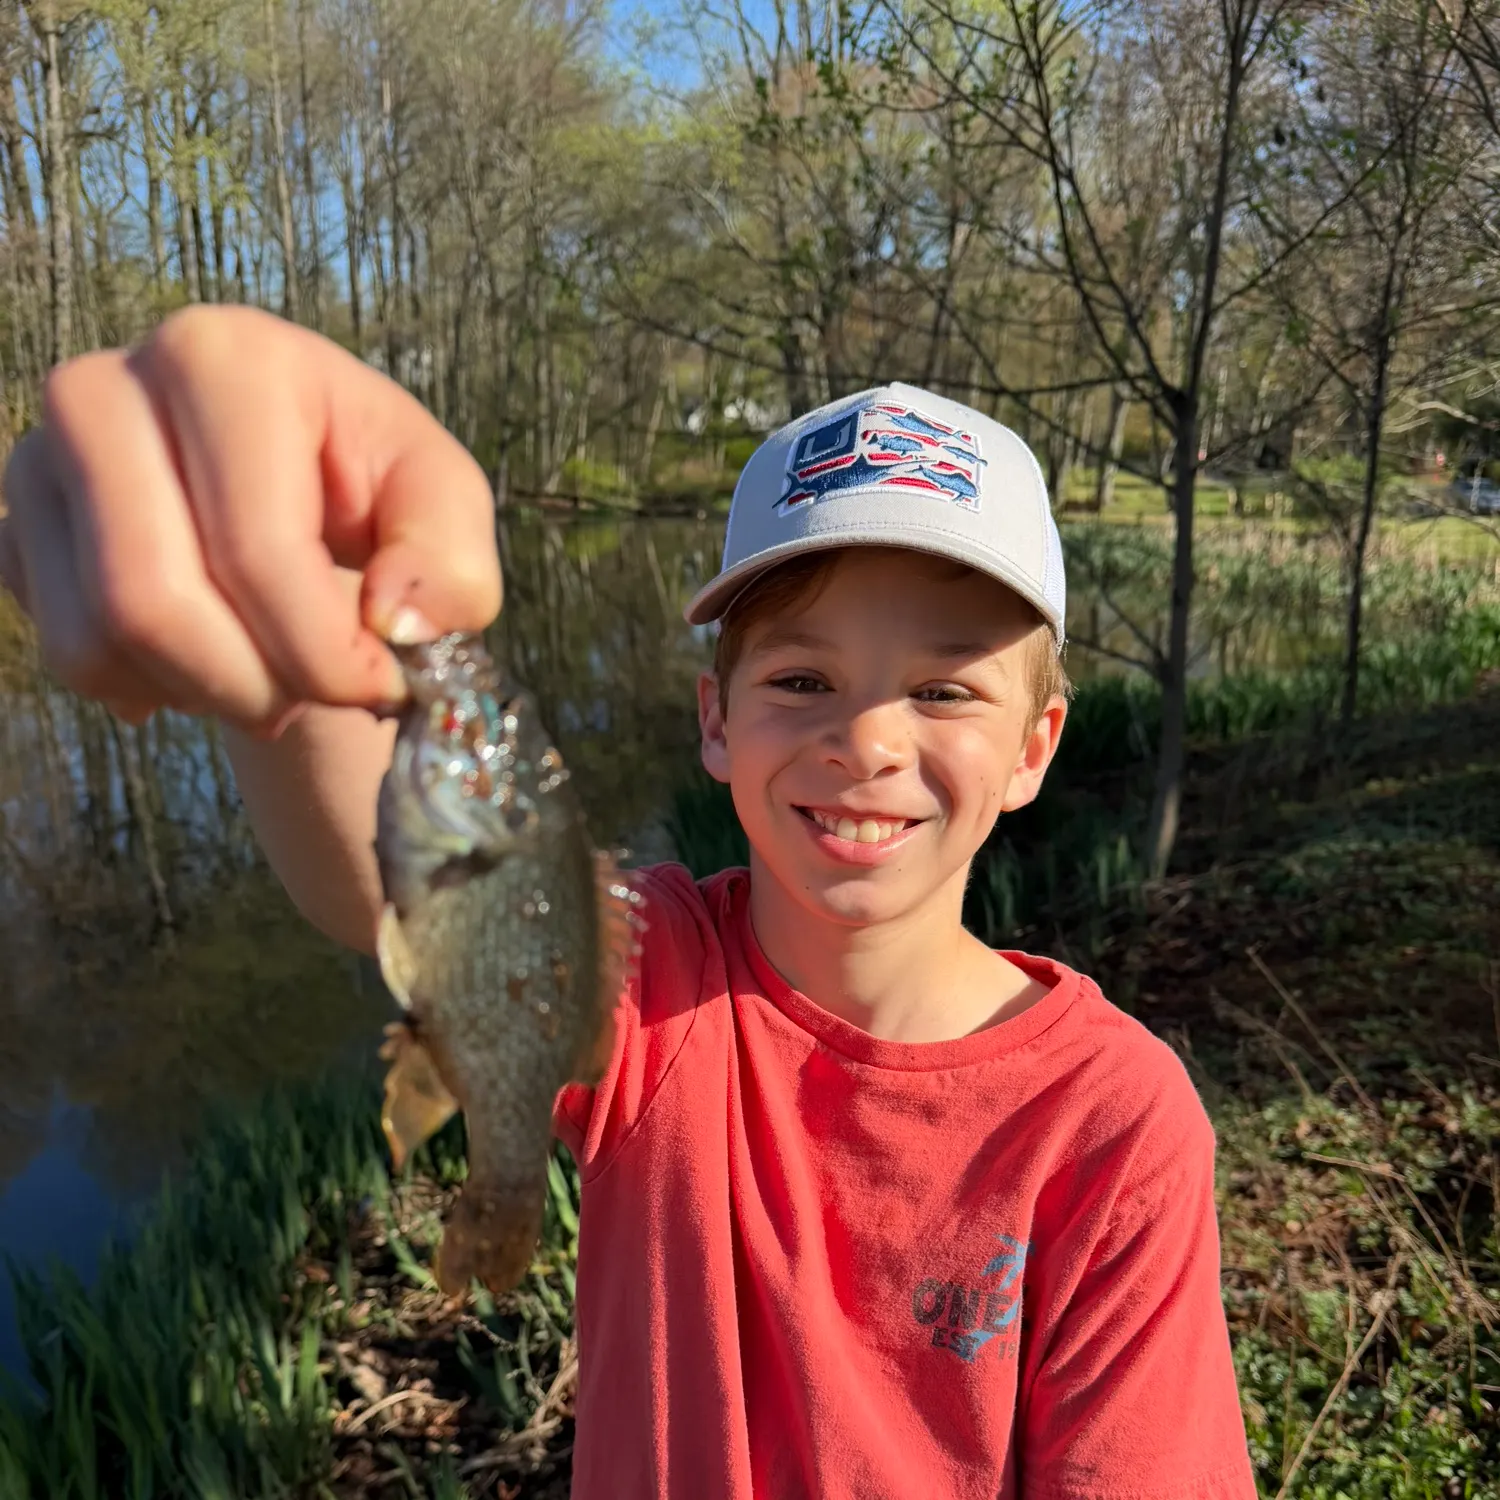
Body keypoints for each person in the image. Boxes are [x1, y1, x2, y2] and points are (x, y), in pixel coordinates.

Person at [0, 306, 1255, 1499]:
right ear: (716, 722)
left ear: (1035, 747)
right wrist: (295, 567)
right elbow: (382, 882)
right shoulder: (655, 984)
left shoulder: (1116, 1127)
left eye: (943, 692)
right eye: (802, 677)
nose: (867, 740)